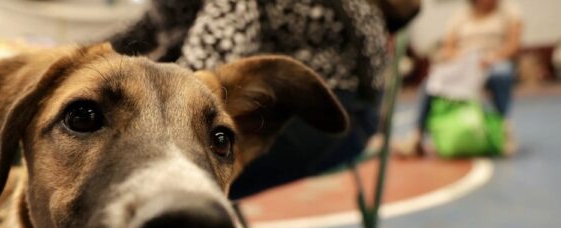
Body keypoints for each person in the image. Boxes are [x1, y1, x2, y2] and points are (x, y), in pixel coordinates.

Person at [109, 0, 419, 199]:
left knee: (162, 178)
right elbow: (144, 29)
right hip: (329, 99)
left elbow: (203, 64)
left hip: (337, 111)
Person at [403, 0, 522, 156]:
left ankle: (502, 129)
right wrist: (463, 59)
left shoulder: (510, 12)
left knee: (502, 73)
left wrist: (491, 58)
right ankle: (417, 136)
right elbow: (447, 49)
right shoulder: (460, 16)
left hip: (493, 61)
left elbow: (513, 46)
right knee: (430, 83)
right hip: (465, 63)